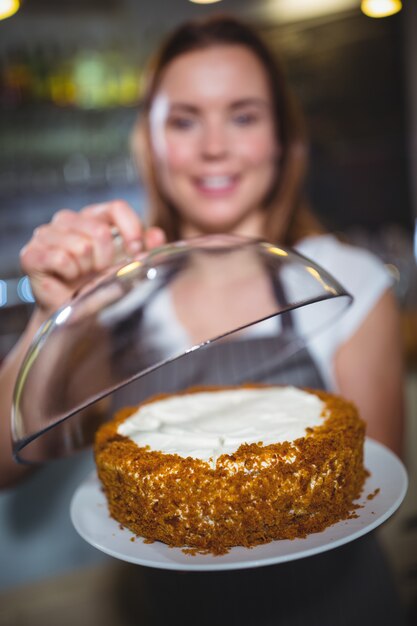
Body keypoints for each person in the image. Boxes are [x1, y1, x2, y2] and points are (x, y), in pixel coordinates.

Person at [0, 14, 407, 625]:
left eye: (243, 115)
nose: (214, 146)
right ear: (151, 141)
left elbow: (366, 476)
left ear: (281, 137)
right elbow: (5, 465)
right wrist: (61, 313)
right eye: (184, 120)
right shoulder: (116, 303)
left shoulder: (347, 276)